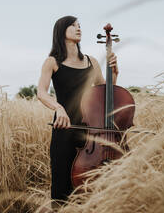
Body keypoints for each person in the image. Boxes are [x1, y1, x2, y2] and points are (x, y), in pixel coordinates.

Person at [37, 16, 118, 209]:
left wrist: (114, 72)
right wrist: (58, 108)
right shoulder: (52, 61)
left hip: (90, 130)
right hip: (64, 128)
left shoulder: (92, 62)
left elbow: (105, 92)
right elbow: (41, 92)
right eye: (72, 25)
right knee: (61, 186)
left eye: (79, 25)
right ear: (61, 31)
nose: (78, 28)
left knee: (90, 184)